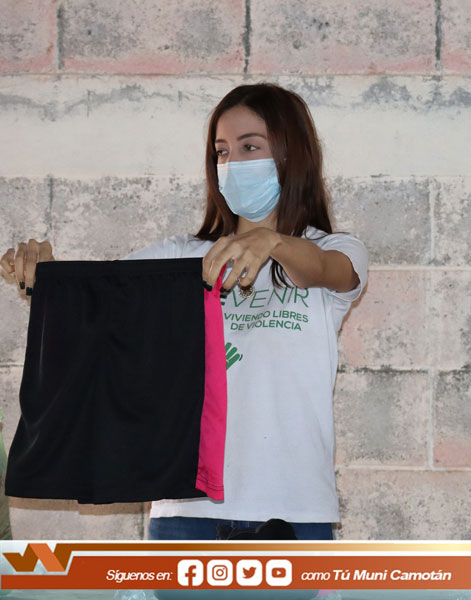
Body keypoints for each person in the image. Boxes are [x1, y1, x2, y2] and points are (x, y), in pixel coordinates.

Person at [0, 83, 367, 540]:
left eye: (250, 146)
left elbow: (327, 270)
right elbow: (99, 298)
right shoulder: (180, 257)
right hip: (185, 509)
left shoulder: (335, 248)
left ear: (293, 154)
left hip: (294, 507)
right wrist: (45, 273)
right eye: (222, 151)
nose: (232, 163)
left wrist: (272, 242)